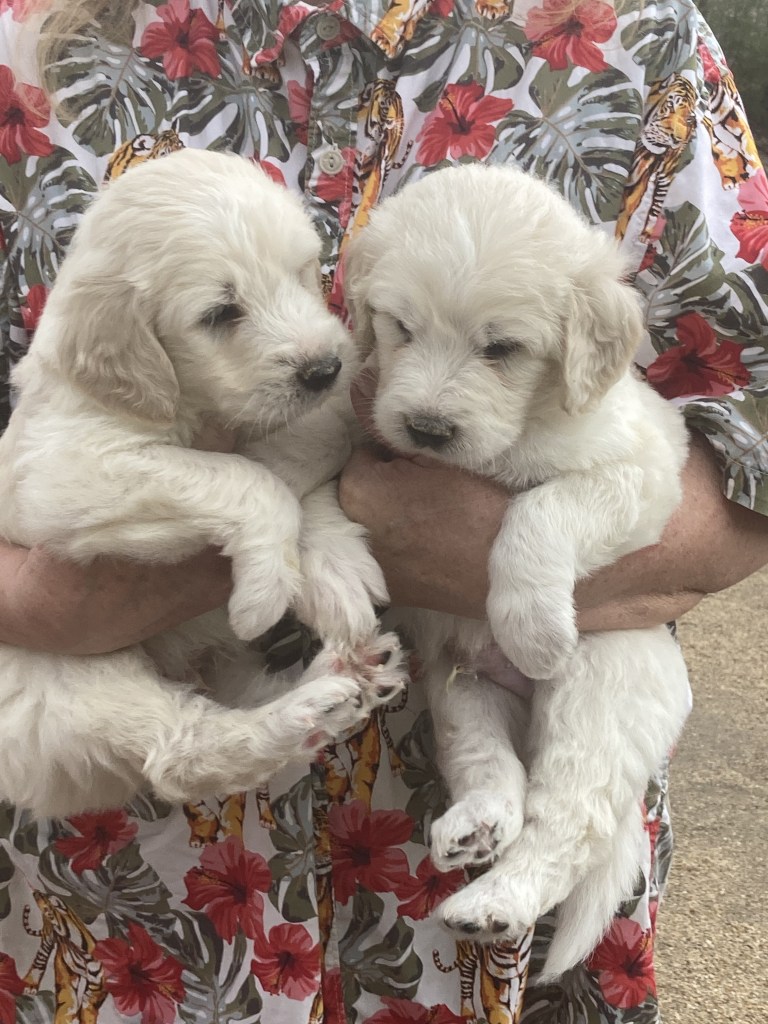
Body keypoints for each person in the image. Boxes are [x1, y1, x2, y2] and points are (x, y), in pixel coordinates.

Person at [0, 1, 766, 1022]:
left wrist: (482, 546)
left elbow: (748, 451)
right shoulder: (24, 58)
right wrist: (45, 598)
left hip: (467, 899)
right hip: (136, 890)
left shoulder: (637, 38)